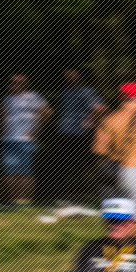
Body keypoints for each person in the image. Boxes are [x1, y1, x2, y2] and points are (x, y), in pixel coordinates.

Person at [96, 82, 136, 220]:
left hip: (112, 172)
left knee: (113, 218)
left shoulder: (108, 119)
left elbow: (99, 149)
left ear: (122, 98)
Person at [0, 73, 50, 206]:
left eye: (19, 82)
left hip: (26, 140)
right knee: (9, 171)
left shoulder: (33, 97)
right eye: (12, 82)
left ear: (25, 84)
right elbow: (4, 115)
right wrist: (3, 131)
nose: (15, 85)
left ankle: (25, 200)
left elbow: (47, 112)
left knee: (25, 172)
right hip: (9, 139)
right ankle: (13, 200)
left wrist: (36, 130)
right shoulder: (8, 98)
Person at [53, 68, 102, 201]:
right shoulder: (65, 91)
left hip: (80, 134)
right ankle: (66, 194)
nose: (69, 76)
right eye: (67, 74)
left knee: (82, 164)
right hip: (65, 132)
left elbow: (99, 108)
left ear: (78, 75)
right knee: (65, 164)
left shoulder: (86, 92)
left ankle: (85, 193)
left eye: (72, 73)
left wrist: (91, 121)